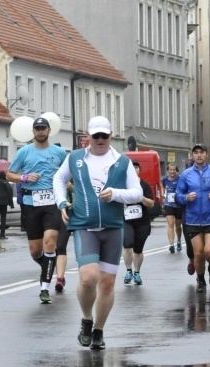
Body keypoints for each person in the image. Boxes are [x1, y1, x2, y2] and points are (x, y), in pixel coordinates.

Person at [53, 116, 143, 349]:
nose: (100, 140)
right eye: (96, 136)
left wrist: (115, 193)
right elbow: (58, 179)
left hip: (113, 228)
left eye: (105, 136)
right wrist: (62, 202)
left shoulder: (121, 161)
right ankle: (86, 318)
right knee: (88, 277)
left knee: (106, 284)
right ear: (88, 136)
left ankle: (99, 331)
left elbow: (136, 193)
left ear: (111, 135)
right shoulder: (75, 158)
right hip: (85, 226)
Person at [7, 116, 68, 303]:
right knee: (35, 250)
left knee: (50, 241)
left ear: (49, 131)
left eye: (43, 128)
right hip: (30, 202)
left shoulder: (59, 152)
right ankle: (48, 268)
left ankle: (44, 288)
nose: (41, 131)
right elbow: (10, 174)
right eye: (37, 129)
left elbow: (69, 172)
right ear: (33, 132)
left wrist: (70, 186)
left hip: (52, 201)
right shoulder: (24, 152)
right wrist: (24, 178)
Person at [175, 144, 210, 292]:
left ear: (206, 154)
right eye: (196, 153)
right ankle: (201, 280)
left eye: (201, 152)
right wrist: (186, 197)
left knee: (209, 252)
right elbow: (178, 195)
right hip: (193, 219)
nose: (199, 155)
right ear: (192, 156)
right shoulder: (186, 175)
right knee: (198, 253)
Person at [122, 160, 155, 286]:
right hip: (127, 221)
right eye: (132, 168)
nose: (134, 170)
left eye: (136, 168)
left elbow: (151, 203)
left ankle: (137, 272)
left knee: (138, 250)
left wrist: (140, 197)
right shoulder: (123, 185)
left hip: (142, 222)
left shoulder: (144, 185)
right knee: (127, 245)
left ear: (139, 170)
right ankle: (128, 270)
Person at [54, 181, 73, 293]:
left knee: (61, 246)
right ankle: (49, 269)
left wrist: (71, 188)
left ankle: (59, 279)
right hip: (48, 212)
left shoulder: (71, 171)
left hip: (66, 212)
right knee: (49, 248)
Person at [161, 162, 184, 254]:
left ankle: (178, 240)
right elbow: (162, 186)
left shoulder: (180, 179)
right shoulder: (165, 179)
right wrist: (163, 193)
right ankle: (171, 245)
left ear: (176, 171)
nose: (172, 172)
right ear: (168, 171)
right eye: (170, 170)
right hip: (169, 204)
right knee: (170, 223)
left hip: (178, 204)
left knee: (178, 225)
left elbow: (183, 188)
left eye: (174, 170)